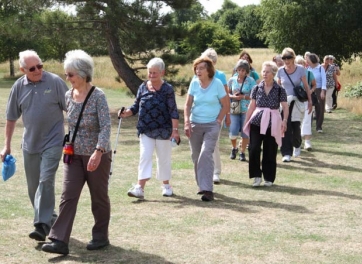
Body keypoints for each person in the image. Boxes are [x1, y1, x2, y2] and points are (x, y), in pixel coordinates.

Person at [42, 50, 112, 255]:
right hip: (73, 156)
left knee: (98, 197)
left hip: (96, 156)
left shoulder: (98, 96)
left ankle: (100, 237)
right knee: (68, 196)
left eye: (70, 74)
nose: (67, 78)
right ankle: (59, 240)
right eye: (66, 74)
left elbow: (106, 127)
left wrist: (98, 152)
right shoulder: (67, 95)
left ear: (83, 74)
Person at [0, 50, 68, 242]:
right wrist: (6, 146)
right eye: (32, 68)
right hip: (30, 144)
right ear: (23, 70)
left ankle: (40, 226)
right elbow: (11, 117)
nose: (38, 70)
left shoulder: (55, 82)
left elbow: (70, 109)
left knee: (46, 180)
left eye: (40, 66)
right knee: (33, 188)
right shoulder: (18, 87)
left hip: (53, 142)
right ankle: (51, 220)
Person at [120, 58, 180, 199]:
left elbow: (173, 111)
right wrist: (126, 113)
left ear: (162, 72)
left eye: (155, 73)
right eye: (150, 72)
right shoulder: (142, 87)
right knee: (144, 157)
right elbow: (135, 106)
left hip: (163, 130)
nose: (152, 75)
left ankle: (166, 186)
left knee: (163, 158)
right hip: (145, 129)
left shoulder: (168, 89)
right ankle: (140, 188)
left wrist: (175, 131)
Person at [184, 56, 229, 201]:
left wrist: (218, 120)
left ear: (209, 70)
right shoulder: (194, 83)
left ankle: (208, 190)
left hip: (212, 125)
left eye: (202, 68)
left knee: (205, 154)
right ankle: (201, 186)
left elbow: (226, 104)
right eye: (197, 68)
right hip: (195, 124)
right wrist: (186, 122)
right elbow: (187, 105)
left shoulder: (217, 84)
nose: (198, 71)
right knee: (196, 156)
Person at [243, 61, 288, 187]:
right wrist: (246, 122)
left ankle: (269, 178)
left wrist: (284, 121)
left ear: (273, 74)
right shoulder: (256, 88)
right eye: (263, 71)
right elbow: (252, 106)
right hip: (257, 121)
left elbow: (285, 107)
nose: (265, 74)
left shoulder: (280, 90)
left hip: (273, 122)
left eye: (267, 72)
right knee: (254, 148)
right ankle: (256, 176)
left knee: (270, 150)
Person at [199, 48, 230, 184]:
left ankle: (216, 172)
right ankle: (205, 170)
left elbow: (226, 97)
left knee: (214, 143)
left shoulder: (220, 76)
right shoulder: (197, 74)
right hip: (200, 115)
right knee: (201, 144)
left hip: (217, 114)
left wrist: (227, 114)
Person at [276, 48, 312, 162]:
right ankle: (286, 153)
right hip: (284, 102)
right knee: (285, 126)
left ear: (293, 58)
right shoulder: (280, 71)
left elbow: (306, 86)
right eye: (284, 58)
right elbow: (278, 87)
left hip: (296, 101)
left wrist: (310, 101)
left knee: (296, 126)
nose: (286, 60)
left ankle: (297, 144)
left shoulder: (300, 69)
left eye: (288, 58)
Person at [228, 59, 256, 161]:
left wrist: (243, 97)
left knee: (245, 132)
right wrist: (233, 96)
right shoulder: (232, 80)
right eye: (239, 70)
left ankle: (242, 152)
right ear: (236, 70)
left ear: (247, 71)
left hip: (246, 109)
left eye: (243, 70)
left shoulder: (251, 81)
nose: (241, 72)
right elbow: (226, 93)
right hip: (234, 108)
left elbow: (255, 95)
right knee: (233, 131)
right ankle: (234, 148)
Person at [295, 55, 317, 151]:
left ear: (305, 64)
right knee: (297, 121)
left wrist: (311, 91)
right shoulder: (293, 74)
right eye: (298, 63)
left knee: (307, 120)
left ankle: (307, 142)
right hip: (296, 100)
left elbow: (314, 85)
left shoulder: (309, 73)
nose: (300, 65)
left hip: (307, 99)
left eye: (302, 63)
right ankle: (297, 141)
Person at [306, 54, 326, 134]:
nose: (306, 61)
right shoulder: (308, 68)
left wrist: (323, 91)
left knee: (320, 108)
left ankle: (319, 126)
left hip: (319, 89)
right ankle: (308, 126)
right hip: (310, 89)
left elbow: (324, 80)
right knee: (309, 107)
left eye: (308, 60)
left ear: (312, 60)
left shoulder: (320, 68)